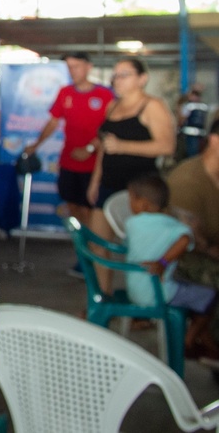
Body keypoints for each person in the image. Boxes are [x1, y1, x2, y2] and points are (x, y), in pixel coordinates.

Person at [88, 57, 175, 291]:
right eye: (115, 75)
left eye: (124, 74)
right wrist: (95, 181)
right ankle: (103, 296)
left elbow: (167, 146)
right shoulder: (112, 106)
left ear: (142, 79)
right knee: (98, 244)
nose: (117, 80)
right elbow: (105, 148)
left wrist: (123, 146)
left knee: (141, 249)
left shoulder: (152, 106)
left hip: (142, 189)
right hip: (109, 183)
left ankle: (144, 301)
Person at [124, 172, 219, 362]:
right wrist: (163, 262)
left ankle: (200, 340)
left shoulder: (131, 224)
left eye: (131, 200)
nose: (129, 204)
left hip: (134, 290)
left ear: (142, 204)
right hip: (159, 293)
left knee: (190, 290)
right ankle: (188, 340)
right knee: (210, 295)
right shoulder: (172, 225)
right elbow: (185, 239)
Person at [24, 52, 113, 235]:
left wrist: (90, 148)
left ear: (89, 67)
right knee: (72, 206)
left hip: (94, 165)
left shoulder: (105, 95)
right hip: (69, 162)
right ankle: (84, 250)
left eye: (77, 66)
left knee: (90, 209)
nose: (72, 71)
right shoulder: (65, 92)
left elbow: (110, 128)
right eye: (69, 67)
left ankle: (91, 256)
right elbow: (53, 122)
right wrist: (36, 144)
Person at [167, 117, 219, 339]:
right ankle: (206, 340)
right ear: (215, 141)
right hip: (181, 259)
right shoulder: (188, 181)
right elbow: (192, 243)